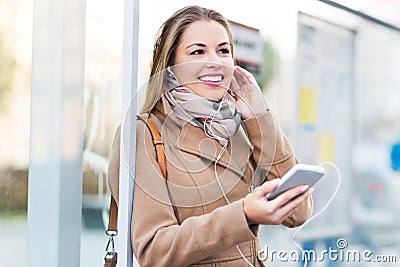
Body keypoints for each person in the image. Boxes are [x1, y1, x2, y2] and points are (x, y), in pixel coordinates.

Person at [108, 5, 313, 267]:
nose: (215, 62)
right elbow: (154, 250)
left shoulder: (238, 128)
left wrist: (261, 118)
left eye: (223, 51)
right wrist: (243, 213)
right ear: (170, 64)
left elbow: (299, 212)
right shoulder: (144, 133)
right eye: (198, 52)